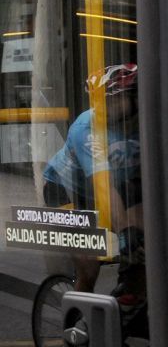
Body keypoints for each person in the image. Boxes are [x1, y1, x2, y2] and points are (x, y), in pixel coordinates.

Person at [42, 63, 143, 294]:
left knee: (144, 244)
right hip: (67, 190)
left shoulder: (145, 123)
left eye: (113, 100)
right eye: (98, 101)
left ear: (134, 99)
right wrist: (124, 232)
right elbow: (103, 185)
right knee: (89, 267)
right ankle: (77, 311)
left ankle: (128, 297)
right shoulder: (86, 129)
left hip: (117, 182)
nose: (102, 107)